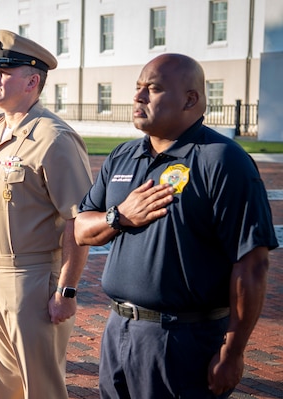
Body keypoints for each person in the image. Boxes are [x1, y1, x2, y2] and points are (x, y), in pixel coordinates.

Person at [75, 53, 279, 398]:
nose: (138, 97)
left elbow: (252, 264)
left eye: (152, 89)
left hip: (183, 340)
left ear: (190, 98)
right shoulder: (122, 156)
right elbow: (81, 229)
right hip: (118, 330)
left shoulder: (223, 160)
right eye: (138, 88)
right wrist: (120, 216)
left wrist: (233, 351)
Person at [0, 30, 93, 399]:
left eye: (4, 72)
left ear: (32, 81)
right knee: (5, 386)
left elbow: (78, 220)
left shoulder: (54, 138)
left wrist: (67, 290)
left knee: (40, 386)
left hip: (33, 278)